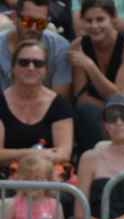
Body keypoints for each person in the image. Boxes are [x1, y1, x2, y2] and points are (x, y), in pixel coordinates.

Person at [69, 0, 124, 153]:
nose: (94, 26)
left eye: (100, 19)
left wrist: (90, 66)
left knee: (115, 116)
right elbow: (81, 98)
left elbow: (119, 97)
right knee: (86, 111)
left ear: (113, 18)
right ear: (81, 21)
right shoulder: (79, 46)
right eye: (88, 20)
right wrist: (110, 108)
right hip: (100, 115)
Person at [0, 39, 72, 174]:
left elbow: (63, 154)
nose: (30, 67)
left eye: (38, 63)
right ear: (13, 67)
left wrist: (13, 155)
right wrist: (35, 152)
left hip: (47, 178)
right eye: (24, 62)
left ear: (46, 70)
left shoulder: (59, 104)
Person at [0, 0, 71, 98]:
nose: (33, 28)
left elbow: (60, 100)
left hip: (45, 110)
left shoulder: (60, 47)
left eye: (40, 23)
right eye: (28, 21)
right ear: (14, 17)